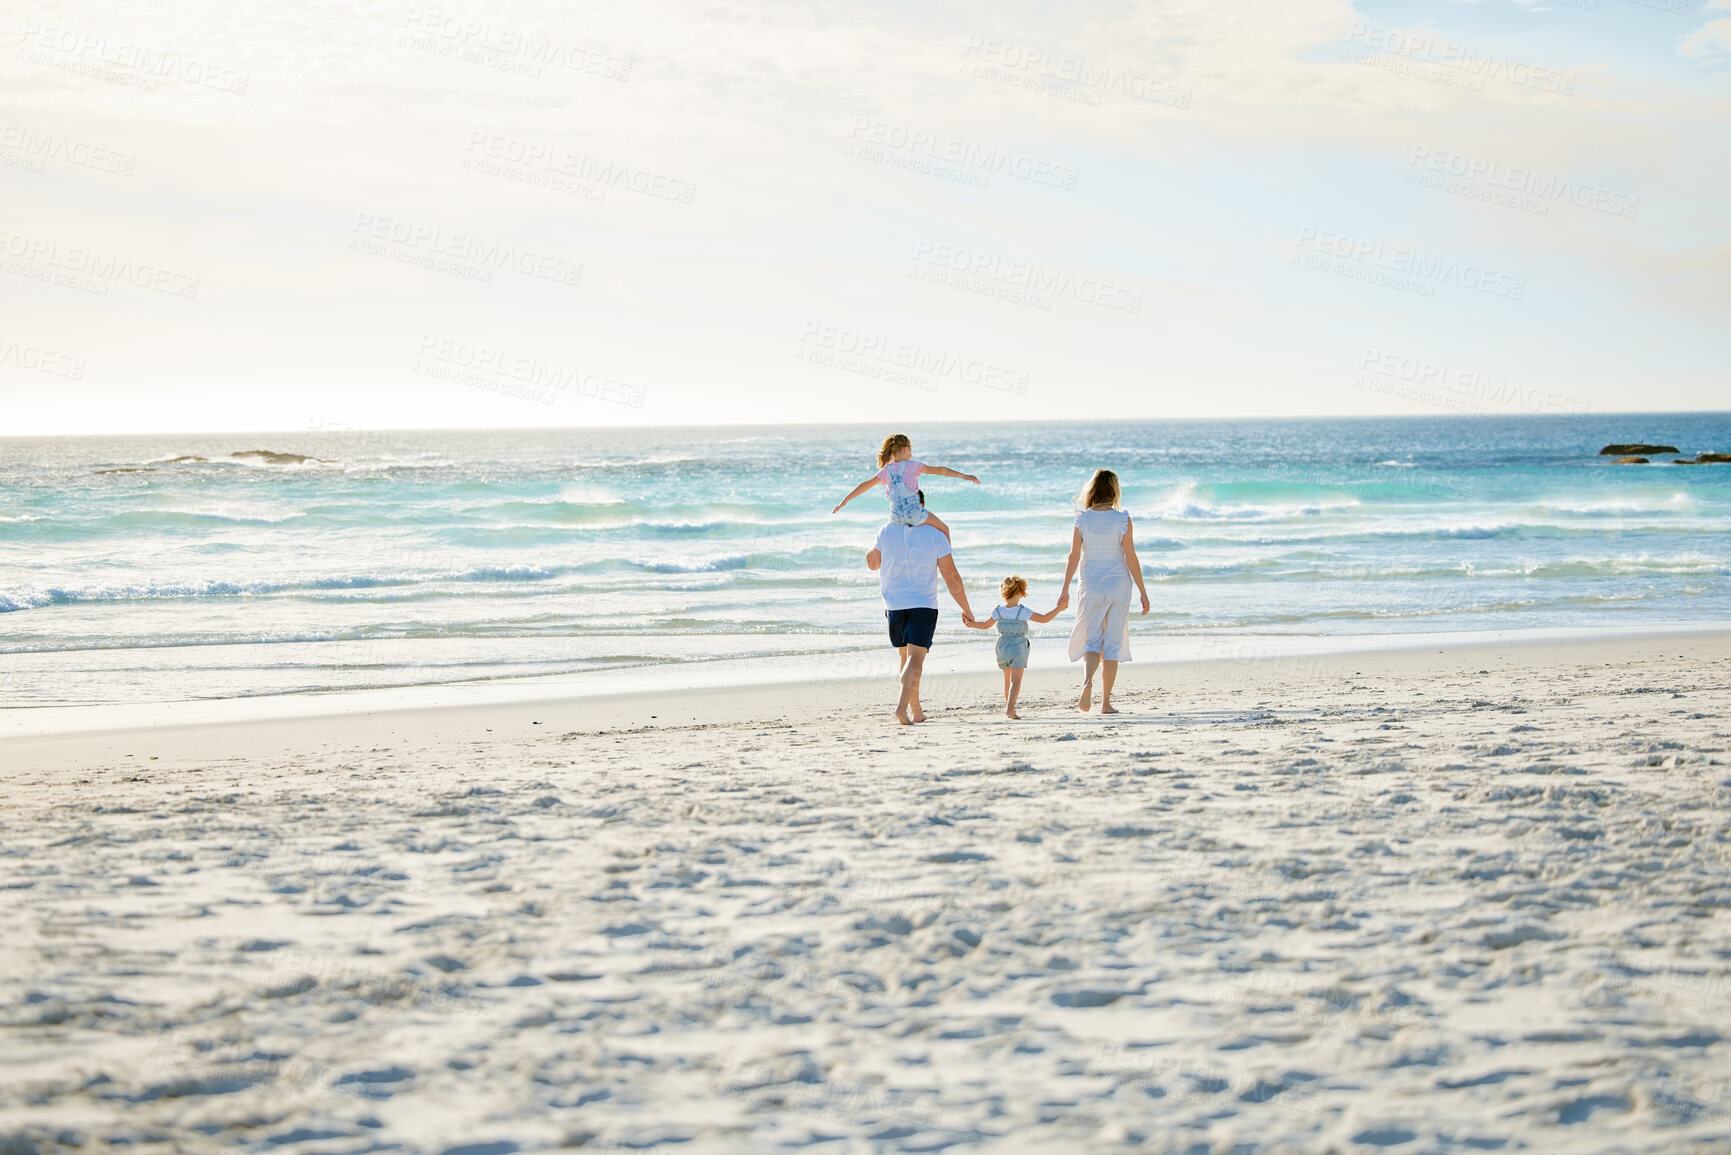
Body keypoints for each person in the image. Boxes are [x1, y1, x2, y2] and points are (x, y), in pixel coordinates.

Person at [865, 490, 974, 725]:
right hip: (922, 604)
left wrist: (877, 544)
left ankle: (917, 710)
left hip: (893, 606)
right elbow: (952, 578)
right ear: (923, 506)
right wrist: (967, 608)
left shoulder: (885, 531)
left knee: (905, 658)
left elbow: (872, 563)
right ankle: (901, 707)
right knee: (916, 659)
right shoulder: (936, 535)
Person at [1059, 469, 1150, 714]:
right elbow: (1131, 557)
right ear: (1114, 490)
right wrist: (1143, 591)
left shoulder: (1082, 519)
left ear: (1092, 490)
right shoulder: (1122, 519)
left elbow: (1073, 556)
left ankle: (1088, 681)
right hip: (1119, 585)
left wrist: (1065, 588)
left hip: (1090, 585)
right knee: (1113, 642)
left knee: (1092, 639)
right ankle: (1105, 703)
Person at [832, 432, 979, 542]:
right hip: (914, 514)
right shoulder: (913, 465)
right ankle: (946, 560)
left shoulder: (886, 471)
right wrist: (965, 476)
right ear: (905, 449)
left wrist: (845, 500)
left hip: (895, 518)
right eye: (910, 449)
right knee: (944, 529)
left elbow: (865, 485)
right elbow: (941, 471)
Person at [961, 575, 1067, 719]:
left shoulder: (998, 611)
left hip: (1002, 647)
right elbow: (1044, 619)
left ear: (1004, 594)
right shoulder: (1022, 611)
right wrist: (1059, 608)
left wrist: (970, 623)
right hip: (1017, 647)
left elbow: (985, 625)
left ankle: (1008, 706)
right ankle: (1010, 710)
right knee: (1015, 681)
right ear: (1021, 593)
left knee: (1007, 681)